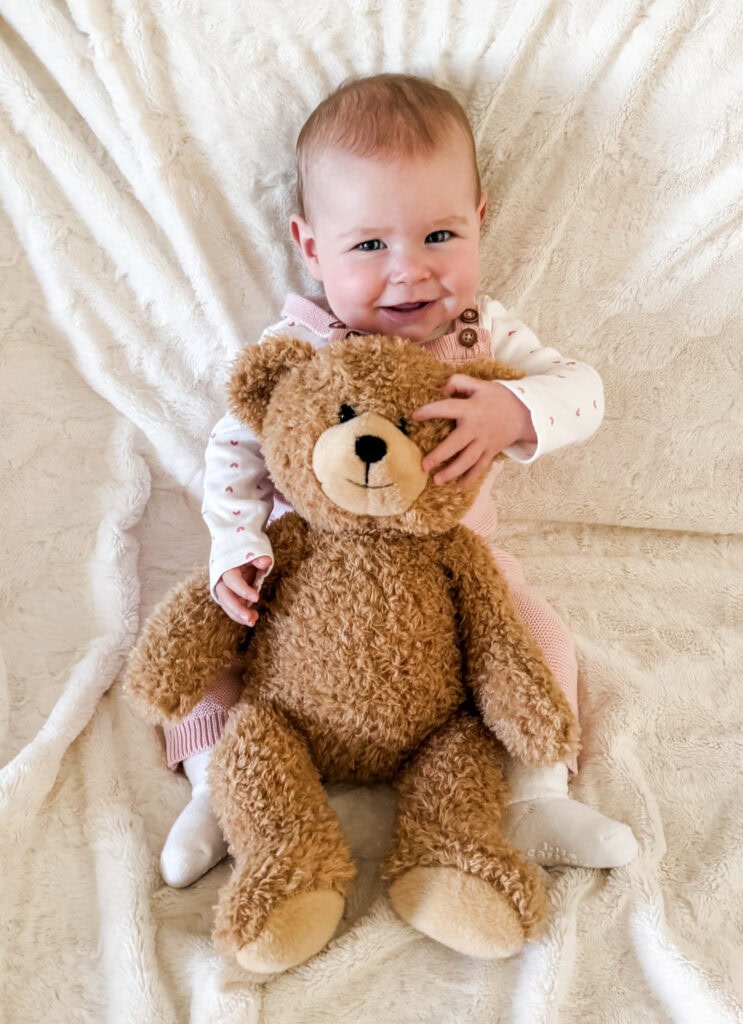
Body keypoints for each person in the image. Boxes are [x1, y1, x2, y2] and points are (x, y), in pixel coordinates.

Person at [159, 73, 638, 887]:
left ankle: (536, 792)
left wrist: (512, 409)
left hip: (458, 577)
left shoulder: (482, 332)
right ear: (312, 248)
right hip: (302, 577)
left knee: (540, 635)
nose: (410, 273)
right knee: (210, 641)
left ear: (480, 221)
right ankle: (214, 787)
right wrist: (234, 545)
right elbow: (233, 446)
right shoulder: (302, 344)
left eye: (441, 237)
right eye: (370, 246)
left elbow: (585, 391)